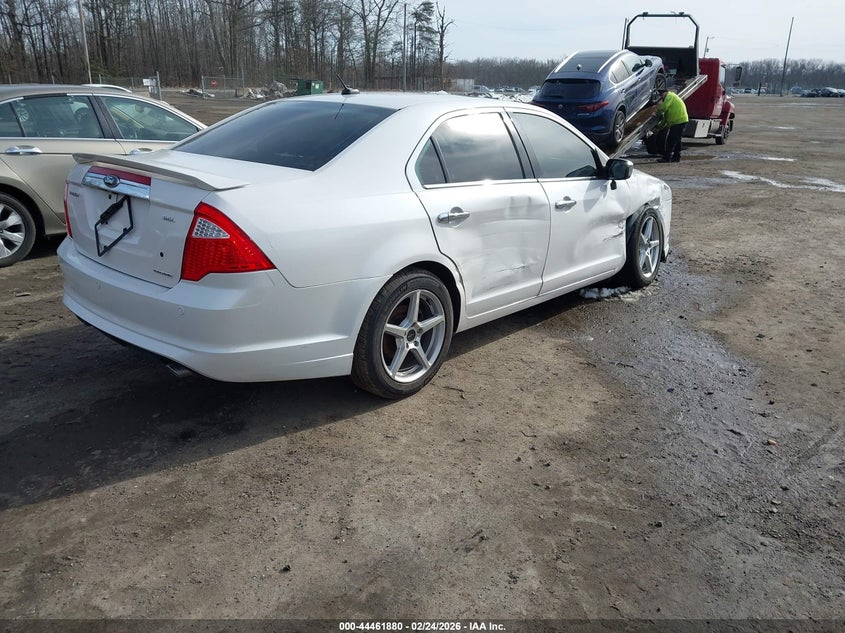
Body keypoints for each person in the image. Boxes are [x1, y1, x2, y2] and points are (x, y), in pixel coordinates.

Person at [655, 88, 688, 162]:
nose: (661, 97)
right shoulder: (671, 102)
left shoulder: (670, 96)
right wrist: (659, 127)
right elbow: (665, 119)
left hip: (678, 122)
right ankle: (676, 157)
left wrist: (657, 113)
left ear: (665, 92)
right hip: (679, 122)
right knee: (677, 140)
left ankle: (667, 158)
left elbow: (664, 107)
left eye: (661, 94)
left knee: (671, 141)